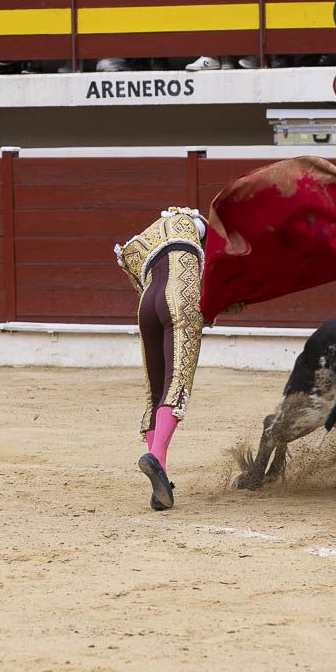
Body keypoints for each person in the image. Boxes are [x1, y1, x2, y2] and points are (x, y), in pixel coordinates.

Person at [114, 206, 210, 510]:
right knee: (176, 384)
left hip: (147, 303)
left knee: (154, 393)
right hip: (179, 298)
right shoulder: (203, 231)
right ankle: (156, 458)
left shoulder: (150, 236)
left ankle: (160, 485)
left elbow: (132, 262)